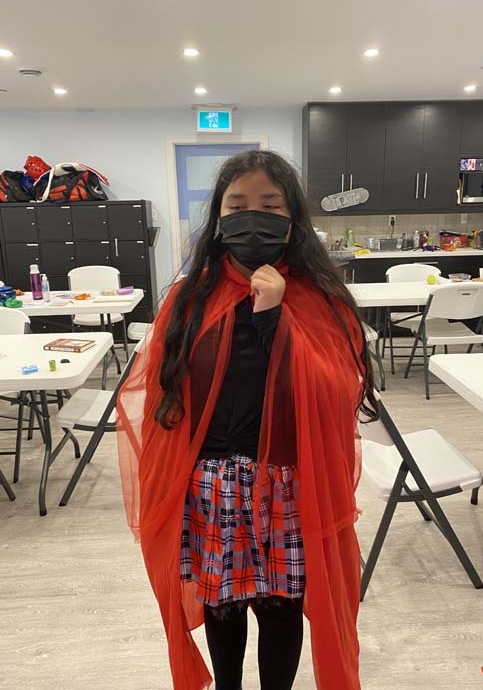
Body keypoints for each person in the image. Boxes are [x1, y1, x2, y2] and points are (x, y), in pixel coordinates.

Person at [117, 150, 378, 690]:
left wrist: (274, 315)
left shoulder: (319, 298)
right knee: (223, 605)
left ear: (292, 219)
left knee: (281, 607)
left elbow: (334, 393)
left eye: (270, 205)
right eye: (237, 206)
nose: (252, 217)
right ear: (218, 218)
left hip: (288, 479)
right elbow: (165, 391)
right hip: (212, 481)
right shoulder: (191, 298)